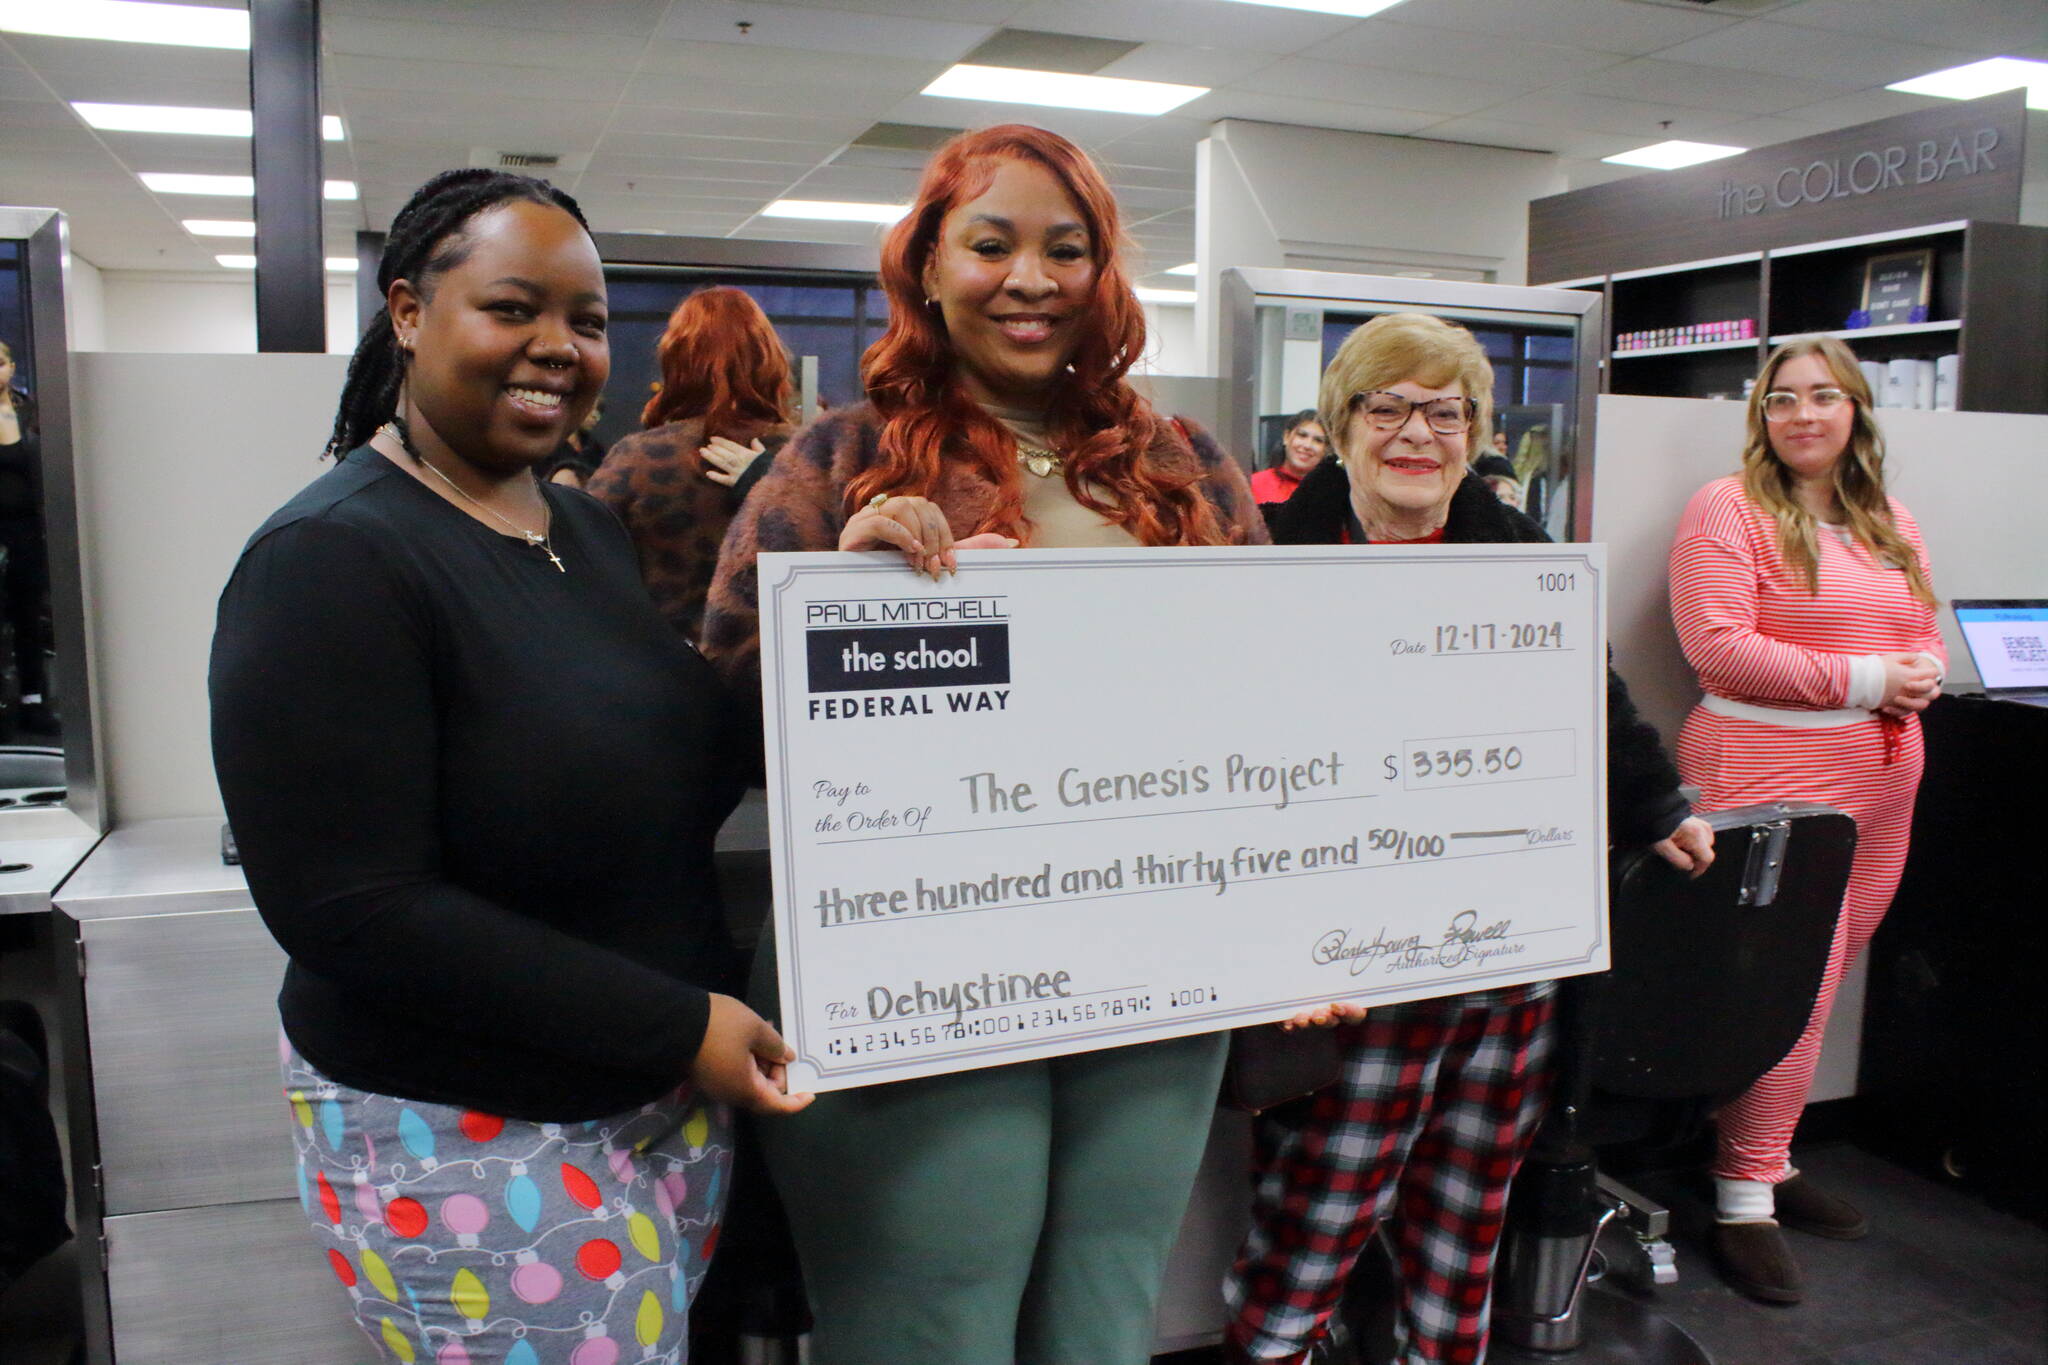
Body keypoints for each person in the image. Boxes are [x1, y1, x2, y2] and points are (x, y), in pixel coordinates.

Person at [209, 168, 810, 1365]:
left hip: (652, 1098)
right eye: (511, 308)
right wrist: (679, 1021)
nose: (558, 348)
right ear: (409, 312)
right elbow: (350, 909)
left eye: (585, 321)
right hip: (470, 1119)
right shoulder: (330, 559)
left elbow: (680, 745)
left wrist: (874, 588)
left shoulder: (576, 527)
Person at [701, 124, 1266, 1365]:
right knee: (930, 1320)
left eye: (1066, 250)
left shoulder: (1186, 468)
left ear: (1103, 274)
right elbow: (721, 713)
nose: (1030, 279)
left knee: (1105, 1316)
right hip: (915, 956)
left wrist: (1304, 914)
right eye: (991, 243)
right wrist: (839, 607)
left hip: (1149, 958)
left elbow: (1271, 701)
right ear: (926, 265)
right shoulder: (836, 459)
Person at [1226, 313, 1714, 1365]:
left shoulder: (1517, 553)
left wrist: (1656, 806)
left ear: (1473, 430)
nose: (1416, 433)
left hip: (1505, 964)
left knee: (1463, 1226)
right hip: (1347, 975)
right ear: (1339, 424)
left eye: (1443, 411)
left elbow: (1589, 697)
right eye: (1386, 406)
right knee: (1313, 1229)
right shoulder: (1264, 561)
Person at [1667, 335, 1942, 1305]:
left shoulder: (1883, 516)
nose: (1802, 416)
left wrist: (1915, 672)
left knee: (1825, 975)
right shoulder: (1726, 508)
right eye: (1780, 400)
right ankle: (1742, 1198)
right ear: (1760, 419)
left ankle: (1766, 1155)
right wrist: (1867, 677)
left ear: (1855, 410)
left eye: (1822, 397)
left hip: (1879, 776)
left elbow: (1914, 627)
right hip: (1769, 768)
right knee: (1785, 983)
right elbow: (1714, 646)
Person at [586, 287, 796, 640]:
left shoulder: (636, 458)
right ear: (768, 358)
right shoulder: (803, 454)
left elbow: (582, 567)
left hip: (664, 672)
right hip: (775, 669)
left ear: (676, 361)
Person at [1249, 409, 1327, 505]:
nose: (1307, 445)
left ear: (1325, 449)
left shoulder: (1332, 494)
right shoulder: (1254, 484)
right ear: (1286, 437)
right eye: (1302, 435)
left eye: (1318, 440)